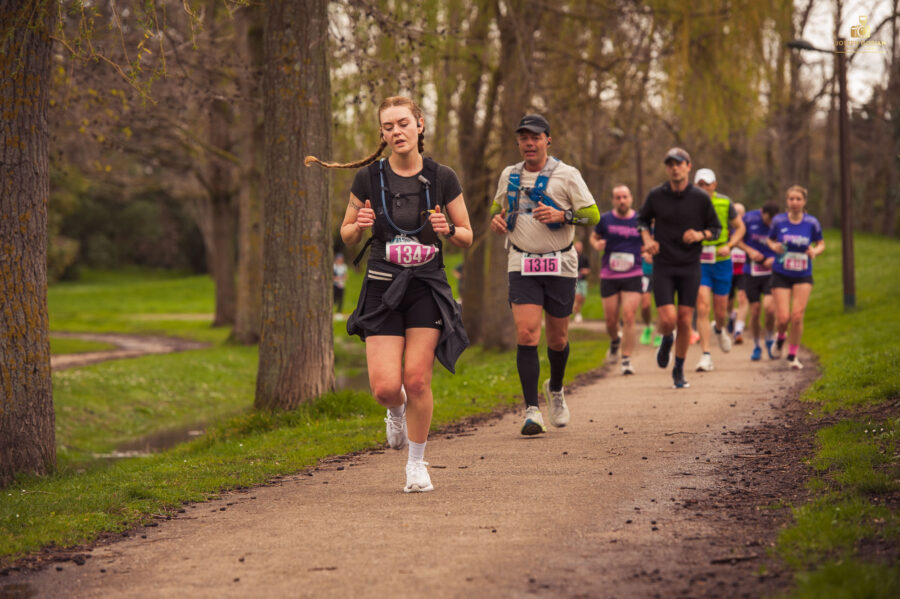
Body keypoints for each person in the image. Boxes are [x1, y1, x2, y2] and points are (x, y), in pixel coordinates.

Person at [306, 95, 473, 493]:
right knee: (385, 387)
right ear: (382, 135)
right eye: (387, 127)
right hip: (382, 286)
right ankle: (395, 411)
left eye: (402, 123)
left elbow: (467, 235)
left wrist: (449, 230)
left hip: (426, 286)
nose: (396, 131)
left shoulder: (442, 177)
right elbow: (346, 235)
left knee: (416, 379)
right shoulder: (368, 178)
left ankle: (417, 464)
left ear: (420, 125)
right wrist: (359, 224)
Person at [489, 113, 600, 435]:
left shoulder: (567, 175)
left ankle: (556, 389)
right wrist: (497, 220)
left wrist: (563, 214)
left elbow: (592, 215)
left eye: (535, 137)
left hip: (560, 263)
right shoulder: (508, 175)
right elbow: (498, 210)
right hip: (521, 262)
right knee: (526, 335)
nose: (529, 143)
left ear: (547, 140)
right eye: (523, 137)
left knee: (558, 338)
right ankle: (532, 411)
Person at [637, 148, 722, 389]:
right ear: (667, 168)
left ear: (688, 166)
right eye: (670, 164)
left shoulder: (700, 197)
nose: (675, 167)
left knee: (685, 319)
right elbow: (641, 220)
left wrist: (699, 234)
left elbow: (715, 230)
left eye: (679, 163)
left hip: (690, 266)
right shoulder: (656, 195)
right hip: (663, 264)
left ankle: (678, 369)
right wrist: (647, 240)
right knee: (668, 318)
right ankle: (666, 339)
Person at [692, 168, 745, 372]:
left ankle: (720, 328)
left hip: (722, 260)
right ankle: (706, 355)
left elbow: (740, 227)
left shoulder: (725, 202)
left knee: (720, 311)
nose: (704, 188)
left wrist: (730, 245)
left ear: (714, 185)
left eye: (707, 184)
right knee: (703, 307)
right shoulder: (690, 203)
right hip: (699, 261)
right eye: (700, 184)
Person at [767, 185, 825, 370]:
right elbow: (770, 239)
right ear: (787, 201)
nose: (794, 202)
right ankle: (780, 338)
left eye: (798, 199)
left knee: (797, 316)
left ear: (804, 201)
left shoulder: (811, 223)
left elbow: (821, 243)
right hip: (781, 273)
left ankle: (792, 354)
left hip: (803, 273)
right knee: (783, 318)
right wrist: (774, 247)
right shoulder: (778, 221)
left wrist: (814, 251)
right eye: (791, 199)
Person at [590, 184, 642, 375]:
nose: (622, 201)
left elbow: (650, 241)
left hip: (633, 273)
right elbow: (594, 237)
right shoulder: (605, 220)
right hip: (609, 274)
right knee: (611, 320)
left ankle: (626, 359)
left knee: (629, 316)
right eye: (618, 197)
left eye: (625, 197)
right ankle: (614, 340)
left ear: (631, 198)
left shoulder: (640, 220)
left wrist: (650, 251)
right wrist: (597, 244)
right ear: (613, 200)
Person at [738, 201, 780, 360]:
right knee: (755, 312)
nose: (769, 224)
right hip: (752, 271)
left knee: (769, 308)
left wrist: (774, 258)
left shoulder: (779, 222)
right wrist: (749, 251)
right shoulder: (749, 219)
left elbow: (785, 245)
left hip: (770, 271)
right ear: (762, 213)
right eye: (767, 220)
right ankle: (756, 345)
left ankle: (769, 338)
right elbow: (737, 240)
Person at [727, 202, 749, 344]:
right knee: (728, 302)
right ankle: (731, 315)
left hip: (743, 270)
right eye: (735, 212)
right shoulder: (727, 229)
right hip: (728, 270)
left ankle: (738, 331)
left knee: (742, 298)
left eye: (740, 212)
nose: (738, 215)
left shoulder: (748, 229)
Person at [639, 250, 662, 347]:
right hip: (645, 273)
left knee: (661, 306)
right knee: (645, 306)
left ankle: (659, 333)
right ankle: (648, 327)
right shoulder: (643, 235)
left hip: (661, 273)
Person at [572, 241, 590, 323]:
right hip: (575, 281)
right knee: (578, 297)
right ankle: (578, 314)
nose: (578, 249)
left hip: (583, 281)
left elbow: (588, 270)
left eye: (579, 247)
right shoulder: (572, 258)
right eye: (576, 247)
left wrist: (584, 271)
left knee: (582, 299)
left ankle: (575, 308)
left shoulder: (585, 258)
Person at [333, 253, 348, 318]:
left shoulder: (344, 266)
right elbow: (333, 276)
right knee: (334, 299)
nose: (340, 260)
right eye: (339, 259)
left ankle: (339, 312)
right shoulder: (334, 266)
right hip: (335, 285)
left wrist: (341, 279)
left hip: (341, 285)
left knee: (341, 299)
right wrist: (337, 279)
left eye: (341, 259)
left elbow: (346, 276)